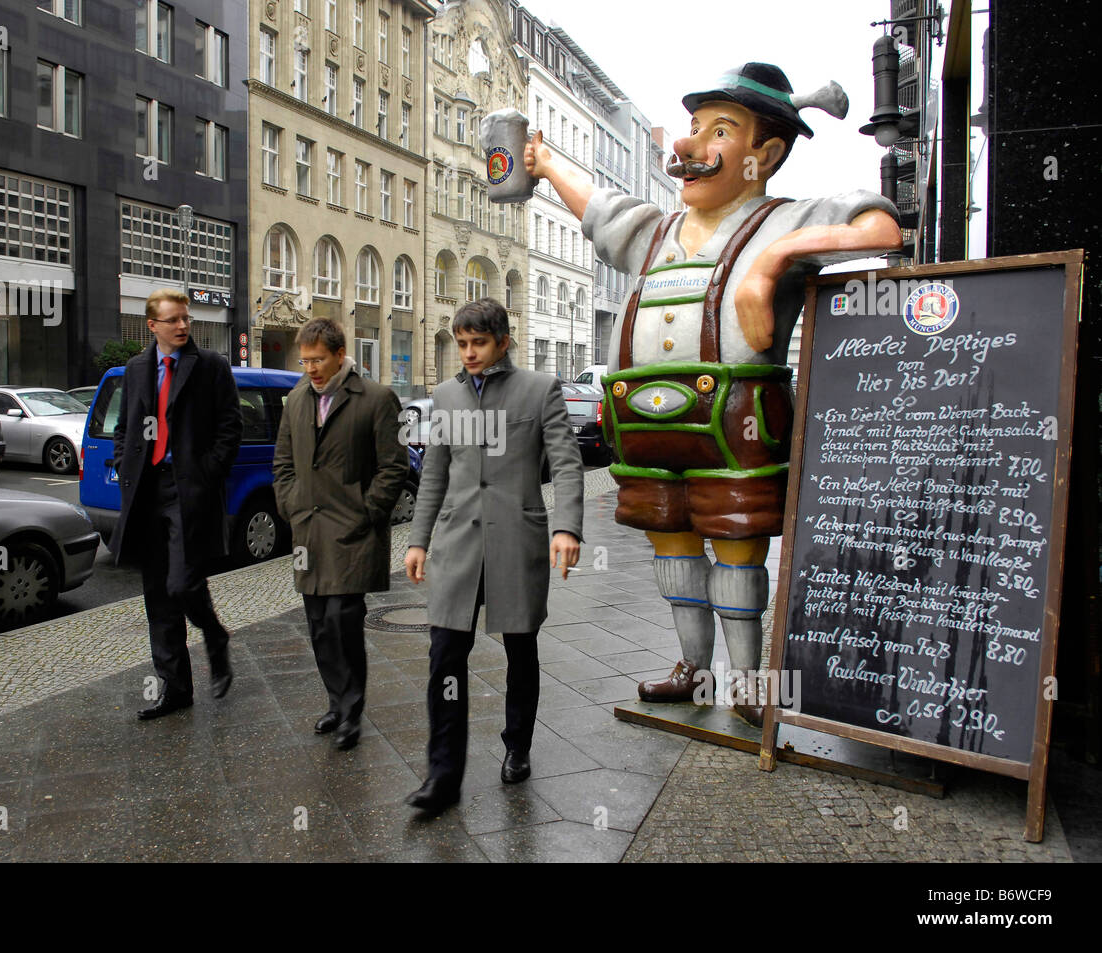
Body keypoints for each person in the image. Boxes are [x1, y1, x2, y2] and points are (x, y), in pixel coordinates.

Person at [525, 63, 902, 724]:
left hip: (737, 423)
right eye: (694, 127)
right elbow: (598, 209)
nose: (691, 145)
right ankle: (693, 668)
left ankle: (750, 680)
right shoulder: (657, 231)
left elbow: (881, 228)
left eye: (719, 130)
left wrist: (773, 261)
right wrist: (547, 164)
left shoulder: (781, 220)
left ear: (766, 155)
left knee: (733, 544)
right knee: (670, 541)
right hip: (647, 424)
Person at [404, 298, 584, 815]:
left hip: (517, 540)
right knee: (445, 658)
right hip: (458, 545)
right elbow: (434, 474)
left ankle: (517, 744)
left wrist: (567, 527)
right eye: (461, 344)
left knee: (520, 650)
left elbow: (568, 465)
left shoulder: (539, 390)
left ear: (503, 341)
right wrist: (417, 541)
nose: (469, 354)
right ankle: (442, 775)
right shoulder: (445, 397)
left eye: (478, 343)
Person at [272, 318, 408, 750]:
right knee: (318, 624)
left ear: (339, 354)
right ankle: (336, 701)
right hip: (308, 531)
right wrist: (291, 505)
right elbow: (283, 464)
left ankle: (351, 710)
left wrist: (368, 512)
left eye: (317, 360)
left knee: (343, 619)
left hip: (353, 531)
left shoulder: (376, 398)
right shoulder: (295, 399)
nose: (310, 368)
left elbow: (394, 465)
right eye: (304, 360)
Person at [111, 288, 243, 719]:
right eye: (174, 320)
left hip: (189, 491)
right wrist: (124, 462)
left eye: (186, 318)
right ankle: (175, 688)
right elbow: (125, 426)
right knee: (157, 596)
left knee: (182, 583)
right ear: (153, 326)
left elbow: (230, 427)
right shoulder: (135, 370)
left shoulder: (210, 367)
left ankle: (215, 637)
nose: (184, 325)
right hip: (147, 491)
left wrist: (207, 473)